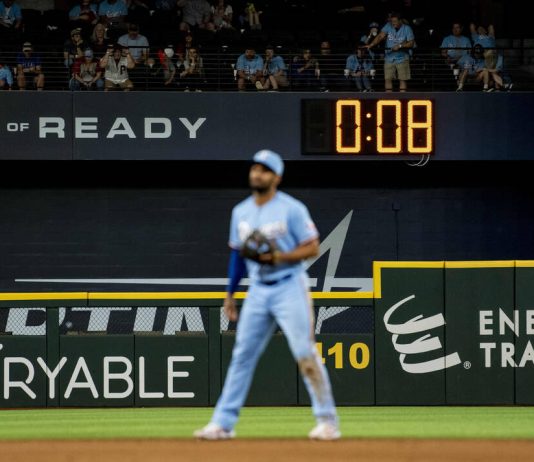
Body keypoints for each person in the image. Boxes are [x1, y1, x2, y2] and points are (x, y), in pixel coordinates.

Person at [194, 149, 340, 441]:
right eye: (255, 168)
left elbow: (312, 247)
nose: (257, 173)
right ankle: (223, 423)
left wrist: (280, 257)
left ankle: (327, 421)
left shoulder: (292, 209)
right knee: (242, 356)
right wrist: (230, 294)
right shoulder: (241, 212)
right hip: (258, 290)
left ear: (277, 177)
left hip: (290, 284)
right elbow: (237, 257)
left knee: (304, 352)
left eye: (264, 169)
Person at [365, 12, 414, 92]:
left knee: (402, 79)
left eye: (395, 21)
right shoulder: (388, 25)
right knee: (388, 79)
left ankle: (402, 99)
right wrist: (371, 44)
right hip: (389, 58)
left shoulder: (407, 28)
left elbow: (411, 43)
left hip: (402, 58)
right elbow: (380, 36)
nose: (393, 23)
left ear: (400, 21)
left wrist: (400, 46)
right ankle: (389, 99)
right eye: (392, 21)